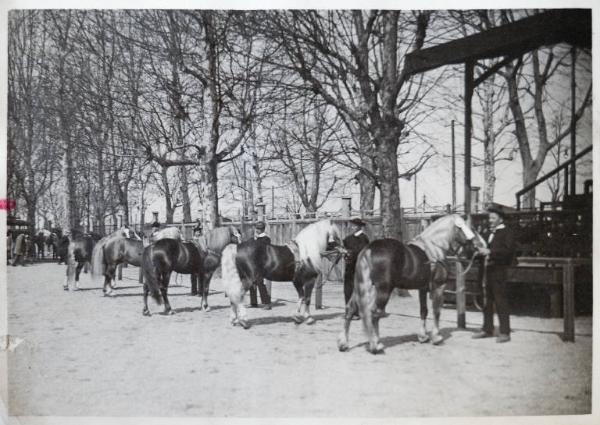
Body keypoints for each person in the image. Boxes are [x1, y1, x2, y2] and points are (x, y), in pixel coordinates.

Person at [472, 204, 516, 343]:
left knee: (500, 300)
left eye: (493, 217)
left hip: (498, 270)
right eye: (489, 217)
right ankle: (487, 329)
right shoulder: (487, 232)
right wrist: (477, 251)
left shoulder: (507, 232)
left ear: (500, 219)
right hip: (485, 271)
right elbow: (483, 248)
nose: (490, 220)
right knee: (486, 300)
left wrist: (490, 252)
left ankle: (505, 332)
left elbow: (508, 251)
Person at [343, 218, 370, 319]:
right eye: (352, 225)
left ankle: (356, 313)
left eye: (354, 225)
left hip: (359, 268)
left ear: (359, 226)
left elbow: (361, 252)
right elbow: (343, 246)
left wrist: (348, 252)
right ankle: (348, 311)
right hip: (349, 268)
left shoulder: (364, 238)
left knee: (357, 290)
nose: (352, 227)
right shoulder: (348, 238)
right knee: (347, 289)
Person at [249, 221, 272, 309]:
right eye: (257, 228)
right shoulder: (254, 238)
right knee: (252, 282)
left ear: (262, 229)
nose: (257, 230)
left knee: (260, 282)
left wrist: (255, 240)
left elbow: (262, 249)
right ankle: (253, 302)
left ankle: (266, 303)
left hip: (261, 264)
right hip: (253, 263)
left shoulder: (266, 239)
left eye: (259, 229)